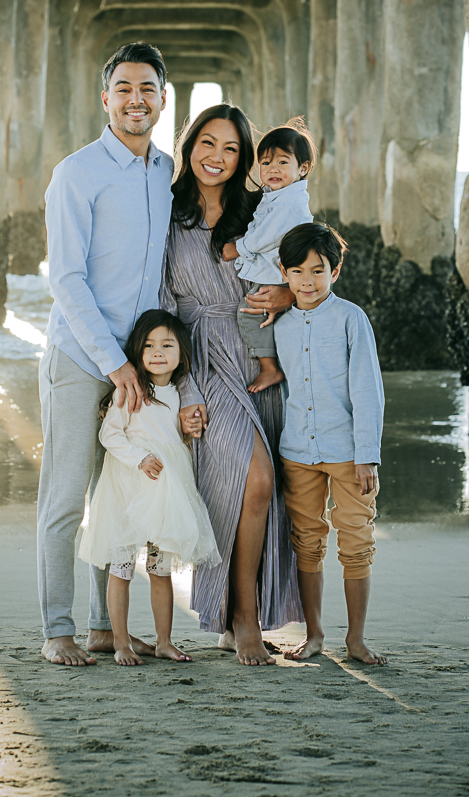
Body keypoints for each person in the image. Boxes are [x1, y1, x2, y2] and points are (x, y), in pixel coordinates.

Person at [38, 41, 205, 667]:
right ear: (106, 98)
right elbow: (66, 280)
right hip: (84, 361)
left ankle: (105, 629)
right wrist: (114, 362)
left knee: (116, 498)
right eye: (125, 89)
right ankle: (58, 630)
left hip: (142, 367)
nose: (137, 100)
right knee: (65, 498)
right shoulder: (76, 173)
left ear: (164, 101)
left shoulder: (167, 174)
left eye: (149, 90)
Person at [161, 103, 303, 666]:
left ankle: (237, 616)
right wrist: (184, 391)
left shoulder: (258, 210)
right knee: (253, 481)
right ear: (189, 145)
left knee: (262, 497)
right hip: (202, 356)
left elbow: (306, 268)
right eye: (207, 144)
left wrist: (289, 294)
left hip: (264, 355)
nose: (217, 158)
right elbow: (163, 306)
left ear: (243, 159)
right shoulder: (165, 213)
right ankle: (242, 618)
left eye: (231, 149)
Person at [79, 310, 221, 666]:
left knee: (161, 571)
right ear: (137, 351)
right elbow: (109, 434)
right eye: (149, 345)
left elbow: (182, 438)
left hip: (166, 493)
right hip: (129, 487)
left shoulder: (180, 394)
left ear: (181, 352)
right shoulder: (131, 391)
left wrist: (192, 431)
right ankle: (122, 643)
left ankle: (163, 641)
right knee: (122, 569)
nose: (158, 352)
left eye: (167, 345)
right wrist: (139, 457)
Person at [274, 222, 387, 666]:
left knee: (356, 543)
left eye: (318, 270)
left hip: (348, 455)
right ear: (284, 273)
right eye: (298, 271)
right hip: (297, 452)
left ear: (335, 272)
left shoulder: (350, 318)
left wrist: (367, 456)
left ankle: (356, 639)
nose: (307, 280)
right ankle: (315, 633)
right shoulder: (279, 324)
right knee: (306, 542)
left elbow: (367, 390)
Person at [222, 120, 314, 394]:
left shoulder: (289, 202)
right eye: (265, 163)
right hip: (278, 269)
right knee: (267, 315)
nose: (272, 169)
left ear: (303, 168)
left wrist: (238, 248)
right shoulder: (276, 195)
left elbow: (267, 235)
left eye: (283, 163)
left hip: (278, 271)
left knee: (250, 313)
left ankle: (270, 367)